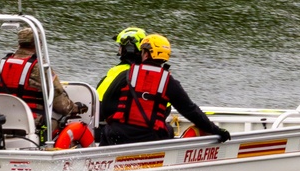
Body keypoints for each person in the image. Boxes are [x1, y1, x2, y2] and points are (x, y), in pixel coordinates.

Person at [97, 34, 230, 146]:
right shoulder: (168, 82)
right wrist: (217, 130)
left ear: (146, 54)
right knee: (169, 129)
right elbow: (190, 111)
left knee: (108, 130)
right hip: (151, 138)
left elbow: (106, 105)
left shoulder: (126, 75)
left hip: (118, 135)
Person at [0, 26, 87, 140]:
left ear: (19, 43)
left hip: (2, 120)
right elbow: (61, 105)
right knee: (63, 118)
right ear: (39, 44)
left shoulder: (1, 65)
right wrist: (76, 108)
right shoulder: (40, 68)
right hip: (33, 122)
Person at [96, 26, 146, 105]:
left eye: (120, 46)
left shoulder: (118, 71)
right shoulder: (150, 71)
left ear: (129, 48)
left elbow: (99, 98)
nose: (119, 49)